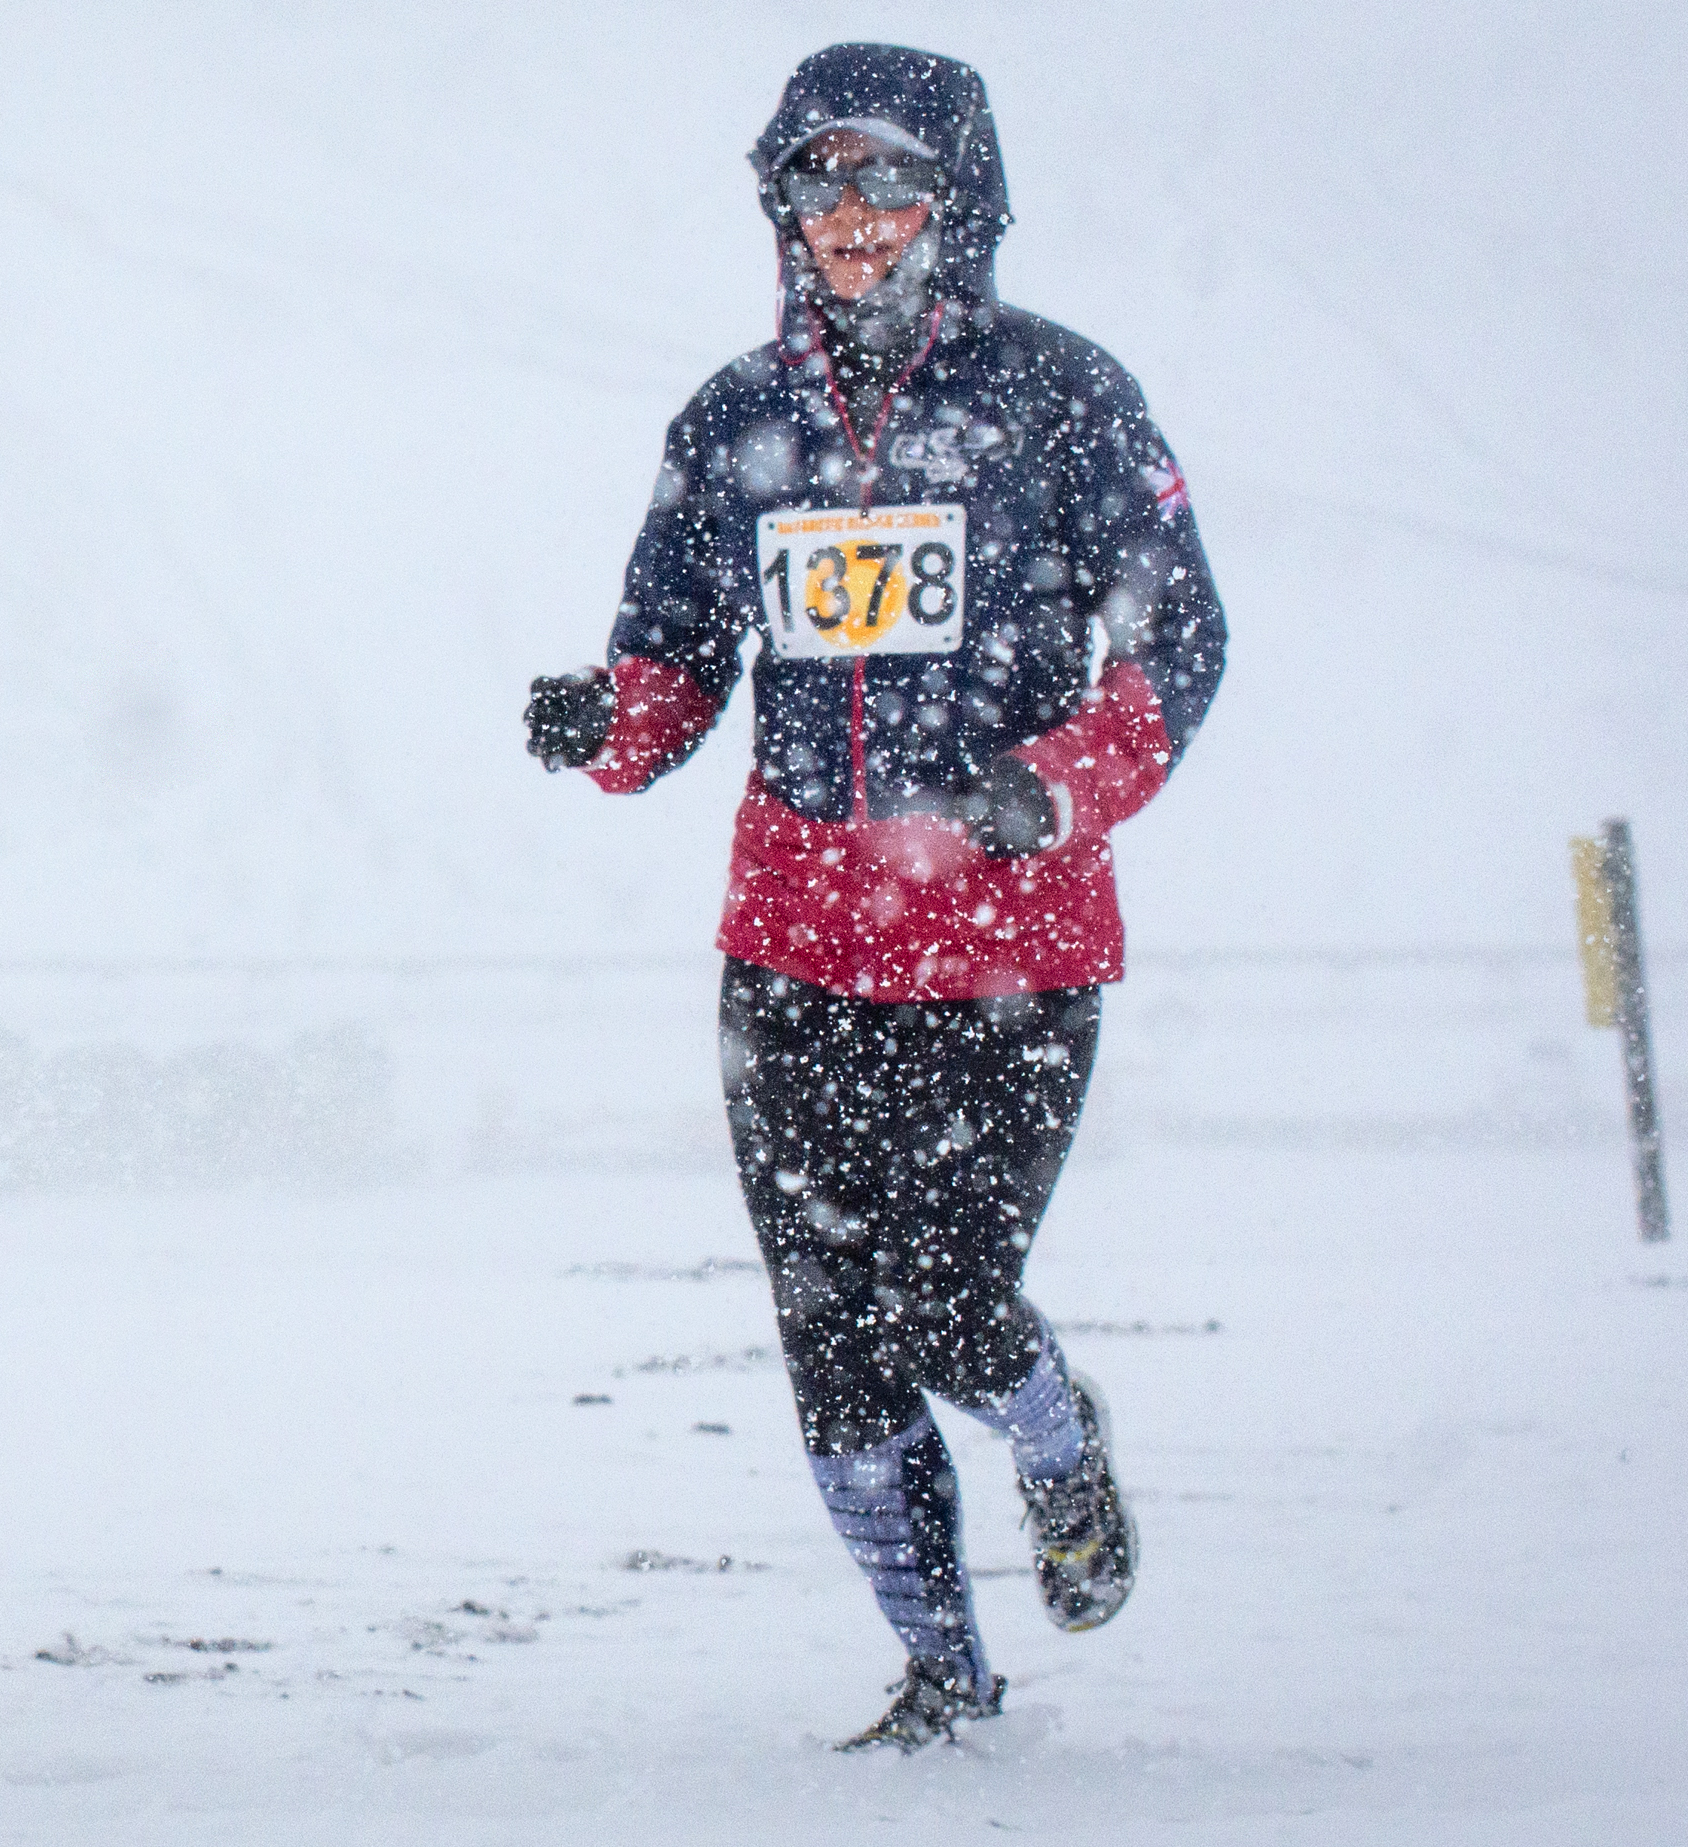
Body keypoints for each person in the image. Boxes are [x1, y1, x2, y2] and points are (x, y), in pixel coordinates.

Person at [523, 44, 1227, 1753]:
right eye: (819, 183)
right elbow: (678, 664)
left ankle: (1055, 1435)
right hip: (792, 952)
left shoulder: (1064, 400)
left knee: (948, 1302)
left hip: (1008, 943)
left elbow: (1179, 645)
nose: (850, 218)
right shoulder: (734, 421)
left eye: (885, 180)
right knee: (830, 1341)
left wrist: (1050, 789)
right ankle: (944, 1677)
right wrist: (607, 727)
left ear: (956, 195)